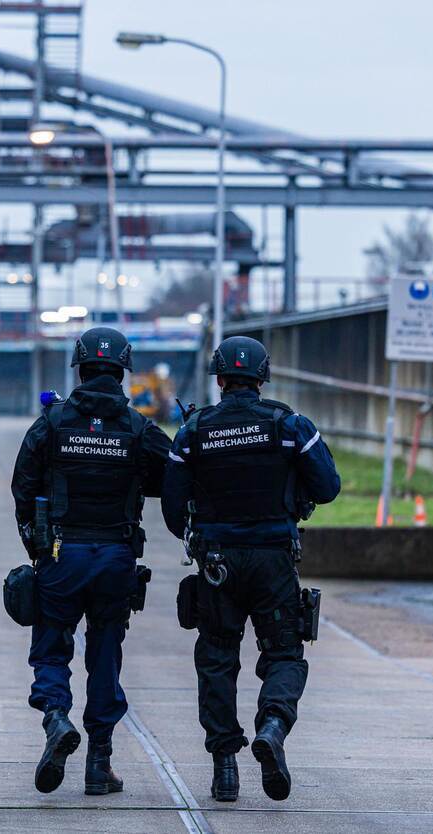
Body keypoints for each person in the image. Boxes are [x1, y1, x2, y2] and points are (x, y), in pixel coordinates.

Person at [161, 335, 340, 803]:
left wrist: (199, 535)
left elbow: (173, 507)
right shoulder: (290, 425)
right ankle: (273, 725)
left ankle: (225, 769)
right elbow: (328, 488)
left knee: (217, 658)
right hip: (274, 560)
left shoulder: (194, 431)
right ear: (262, 378)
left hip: (217, 563)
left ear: (219, 379)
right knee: (284, 654)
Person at [11, 326, 171, 795]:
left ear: (79, 368)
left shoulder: (52, 422)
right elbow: (173, 477)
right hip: (116, 556)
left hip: (62, 553)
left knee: (52, 648)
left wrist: (36, 546)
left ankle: (56, 718)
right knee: (105, 657)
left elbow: (23, 486)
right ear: (123, 371)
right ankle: (99, 765)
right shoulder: (139, 428)